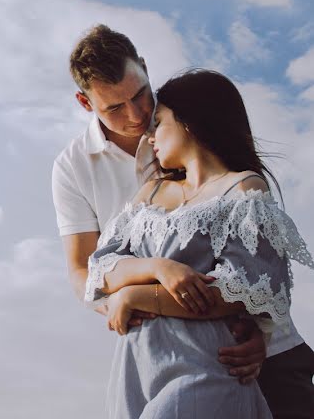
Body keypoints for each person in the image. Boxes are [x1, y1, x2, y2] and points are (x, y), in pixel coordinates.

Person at [51, 25, 312, 417]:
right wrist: (140, 295)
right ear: (85, 103)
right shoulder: (74, 168)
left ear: (143, 66)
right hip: (157, 359)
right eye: (114, 108)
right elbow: (83, 269)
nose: (138, 115)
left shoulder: (188, 109)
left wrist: (259, 327)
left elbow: (249, 273)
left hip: (252, 353)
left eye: (140, 95)